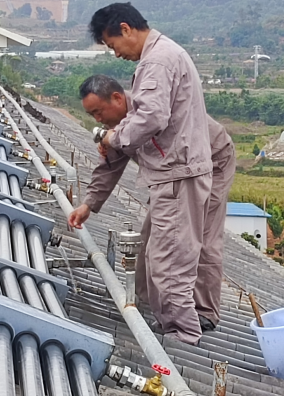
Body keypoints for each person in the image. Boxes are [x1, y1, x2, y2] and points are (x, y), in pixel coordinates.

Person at [84, 3, 216, 345]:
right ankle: (171, 324)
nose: (116, 54)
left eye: (113, 45)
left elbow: (151, 118)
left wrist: (115, 137)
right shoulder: (162, 55)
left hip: (178, 172)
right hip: (175, 171)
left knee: (168, 261)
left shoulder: (156, 61)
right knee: (157, 254)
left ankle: (182, 337)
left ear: (126, 29)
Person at [68, 75, 235, 345]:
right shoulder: (118, 128)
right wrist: (89, 204)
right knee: (154, 236)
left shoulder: (150, 111)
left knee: (198, 236)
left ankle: (204, 313)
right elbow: (109, 166)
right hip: (173, 175)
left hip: (210, 161)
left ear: (118, 99)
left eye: (98, 112)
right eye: (91, 115)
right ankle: (150, 303)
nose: (97, 120)